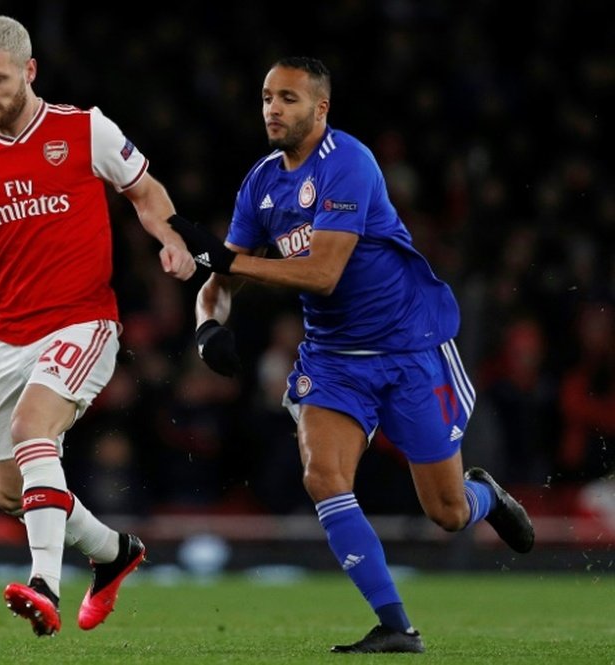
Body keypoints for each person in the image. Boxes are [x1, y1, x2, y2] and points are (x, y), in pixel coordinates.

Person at [169, 57, 534, 654]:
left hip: (410, 348)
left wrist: (227, 263)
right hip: (335, 359)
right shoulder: (261, 182)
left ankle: (484, 496)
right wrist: (208, 327)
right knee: (322, 475)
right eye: (266, 96)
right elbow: (218, 278)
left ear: (320, 108)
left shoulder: (349, 163)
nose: (272, 108)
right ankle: (396, 625)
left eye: (287, 97)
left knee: (445, 511)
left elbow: (323, 272)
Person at [0, 15, 196, 637]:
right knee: (10, 493)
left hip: (85, 323)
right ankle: (113, 553)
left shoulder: (85, 130)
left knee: (34, 433)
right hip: (11, 338)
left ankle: (44, 585)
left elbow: (145, 191)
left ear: (28, 71)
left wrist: (171, 238)